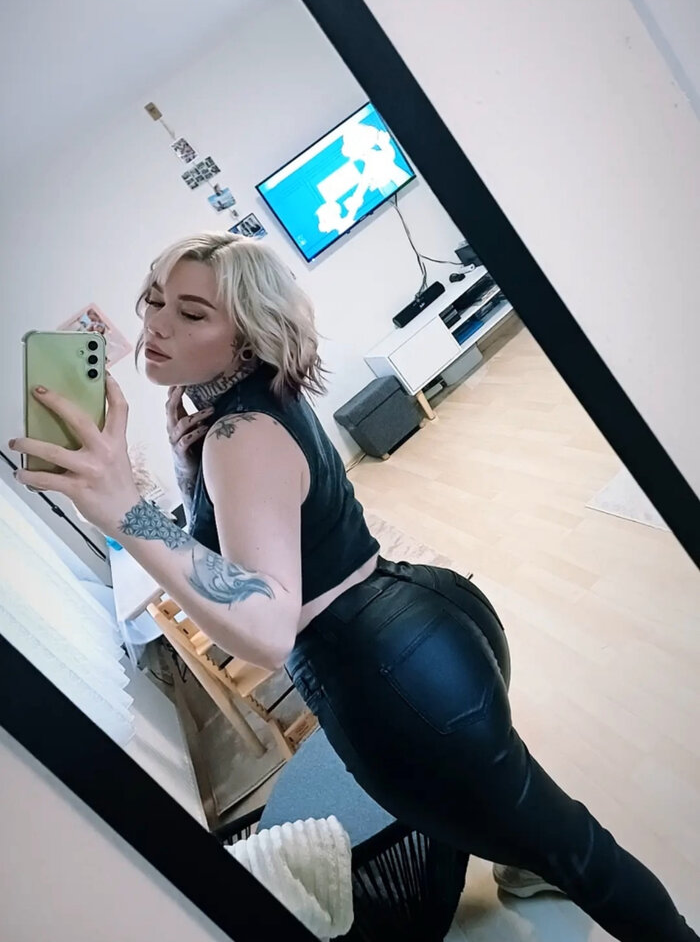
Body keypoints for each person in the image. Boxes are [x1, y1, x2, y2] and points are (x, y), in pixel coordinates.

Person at [10, 232, 696, 942]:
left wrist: (128, 510)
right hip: (422, 617)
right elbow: (249, 545)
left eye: (191, 313)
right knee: (522, 808)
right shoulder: (250, 406)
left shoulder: (238, 435)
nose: (156, 324)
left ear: (246, 337)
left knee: (579, 849)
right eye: (154, 300)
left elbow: (266, 627)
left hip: (389, 671)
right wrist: (188, 477)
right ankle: (529, 864)